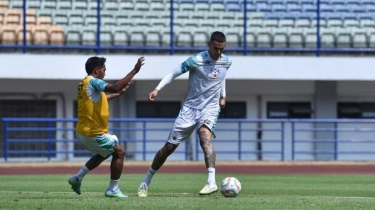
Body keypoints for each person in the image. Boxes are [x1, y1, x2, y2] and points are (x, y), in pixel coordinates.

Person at [137, 31, 232, 197]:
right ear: (209, 44)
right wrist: (157, 89)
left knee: (205, 139)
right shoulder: (196, 60)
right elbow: (173, 73)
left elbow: (221, 76)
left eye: (222, 49)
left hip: (210, 108)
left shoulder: (226, 61)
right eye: (216, 48)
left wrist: (223, 95)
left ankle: (211, 182)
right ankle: (145, 181)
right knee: (168, 148)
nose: (219, 53)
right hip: (190, 109)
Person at [68, 56, 145, 198]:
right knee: (120, 153)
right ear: (96, 70)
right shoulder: (95, 82)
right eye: (104, 69)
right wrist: (134, 71)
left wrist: (117, 94)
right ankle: (113, 189)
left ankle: (77, 178)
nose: (105, 72)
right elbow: (115, 86)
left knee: (106, 152)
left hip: (83, 131)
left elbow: (102, 97)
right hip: (93, 133)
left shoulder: (84, 83)